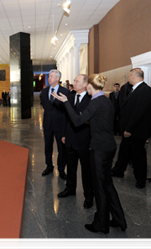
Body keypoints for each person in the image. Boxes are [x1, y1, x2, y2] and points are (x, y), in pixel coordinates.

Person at [52, 74, 127, 234]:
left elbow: (77, 121)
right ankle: (119, 219)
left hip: (100, 148)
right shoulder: (105, 100)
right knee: (107, 184)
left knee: (99, 187)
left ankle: (101, 223)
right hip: (108, 145)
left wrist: (66, 103)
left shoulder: (96, 102)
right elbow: (99, 120)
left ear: (89, 86)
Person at [111, 68, 151, 189]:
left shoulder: (145, 90)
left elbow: (138, 112)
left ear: (133, 76)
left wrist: (129, 129)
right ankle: (118, 170)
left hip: (136, 131)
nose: (128, 79)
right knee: (124, 151)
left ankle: (141, 179)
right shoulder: (135, 89)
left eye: (129, 76)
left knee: (138, 156)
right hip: (129, 129)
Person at [58, 74, 94, 209]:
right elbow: (66, 118)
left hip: (85, 140)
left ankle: (89, 196)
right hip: (70, 138)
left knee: (86, 170)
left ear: (85, 84)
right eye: (74, 81)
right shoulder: (71, 98)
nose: (74, 83)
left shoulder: (91, 99)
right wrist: (63, 134)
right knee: (71, 167)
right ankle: (70, 189)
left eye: (77, 81)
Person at [40, 69, 70, 179]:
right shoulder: (44, 91)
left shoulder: (65, 92)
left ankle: (61, 169)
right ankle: (49, 166)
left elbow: (67, 109)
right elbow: (44, 105)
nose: (49, 78)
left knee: (61, 148)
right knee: (47, 146)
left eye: (51, 76)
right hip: (47, 123)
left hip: (60, 125)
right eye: (49, 76)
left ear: (57, 78)